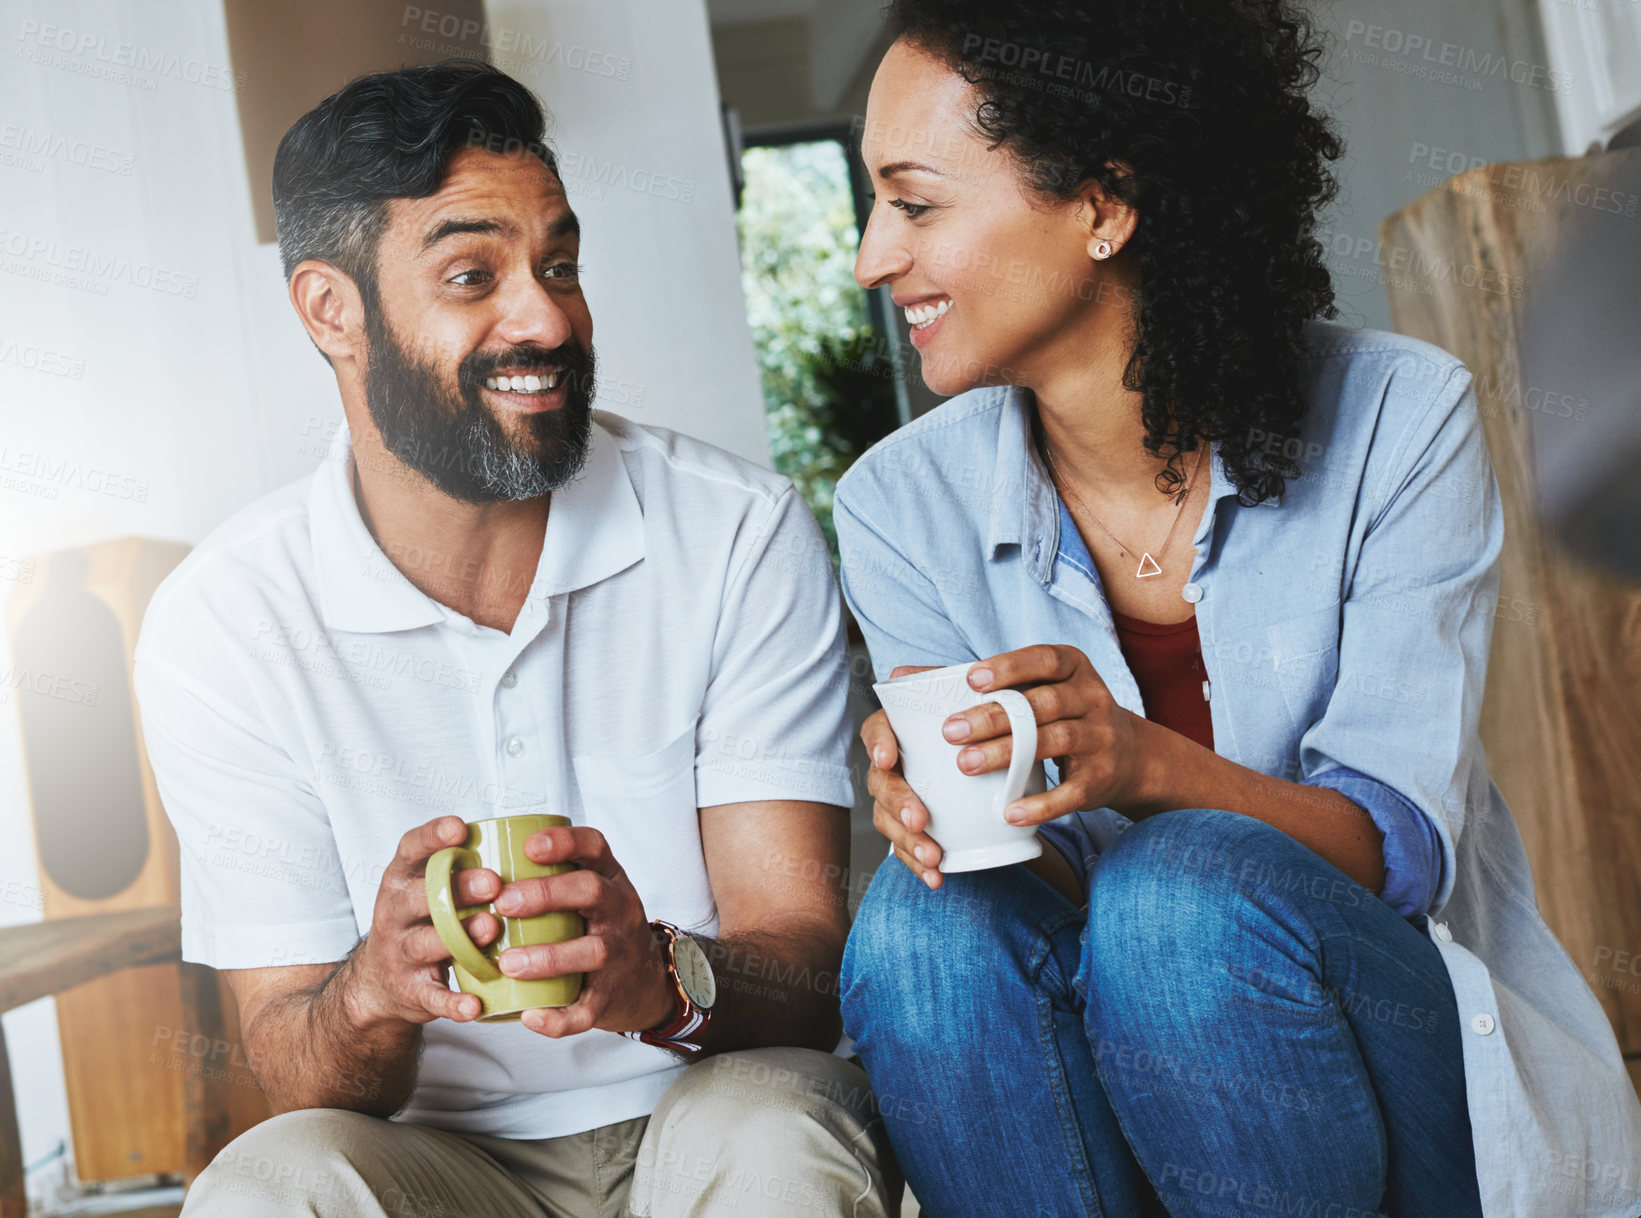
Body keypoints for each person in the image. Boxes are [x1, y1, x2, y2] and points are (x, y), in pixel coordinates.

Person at [831, 3, 1641, 1217]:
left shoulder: (1398, 420)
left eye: (916, 203)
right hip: (1108, 1079)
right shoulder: (897, 502)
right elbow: (1018, 914)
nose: (870, 258)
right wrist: (944, 815)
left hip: (1382, 1045)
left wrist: (1143, 765)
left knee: (1180, 895)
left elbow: (1401, 851)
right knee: (918, 924)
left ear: (1103, 205)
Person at [132, 60, 895, 1218]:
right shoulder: (225, 622)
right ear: (331, 312)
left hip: (710, 1098)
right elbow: (291, 1071)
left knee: (775, 1129)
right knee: (268, 1188)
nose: (545, 316)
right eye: (472, 274)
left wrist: (663, 978)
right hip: (441, 1158)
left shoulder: (737, 534)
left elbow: (804, 969)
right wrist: (372, 993)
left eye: (560, 266)